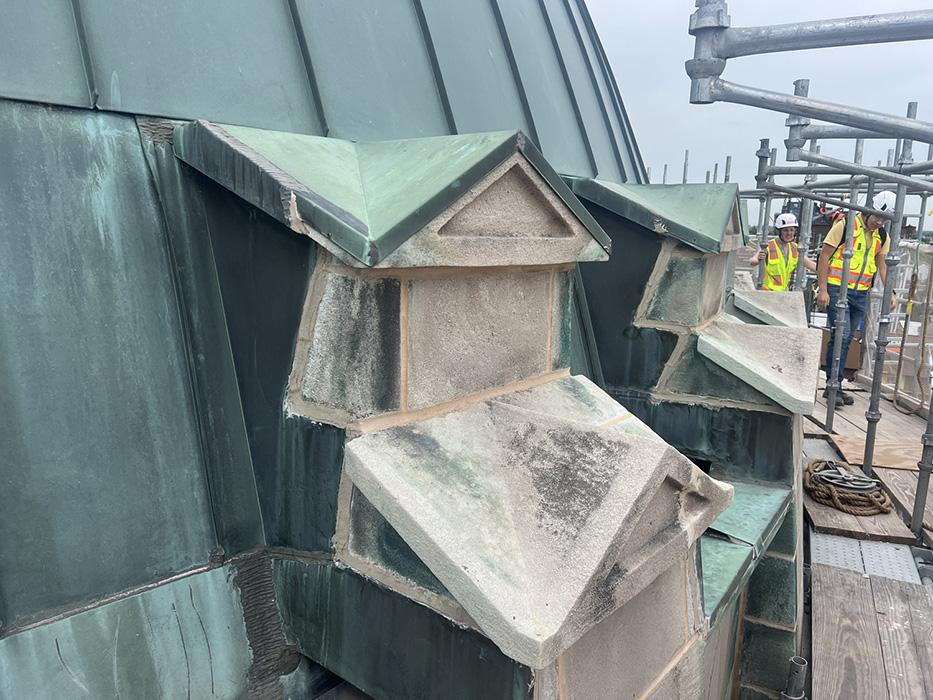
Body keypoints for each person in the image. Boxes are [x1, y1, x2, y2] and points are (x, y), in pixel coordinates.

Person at [816, 190, 898, 408]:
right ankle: (833, 387)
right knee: (841, 337)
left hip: (860, 293)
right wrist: (822, 289)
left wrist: (890, 291)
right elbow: (824, 256)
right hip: (837, 288)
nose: (879, 222)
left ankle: (836, 386)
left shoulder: (882, 236)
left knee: (846, 338)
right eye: (878, 217)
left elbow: (881, 265)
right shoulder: (845, 226)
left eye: (884, 219)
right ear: (869, 210)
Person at [748, 212, 816, 291]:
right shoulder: (769, 246)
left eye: (792, 230)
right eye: (785, 230)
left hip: (783, 293)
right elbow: (752, 261)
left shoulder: (795, 248)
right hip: (767, 293)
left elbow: (812, 265)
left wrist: (826, 270)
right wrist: (758, 259)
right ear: (779, 231)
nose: (789, 233)